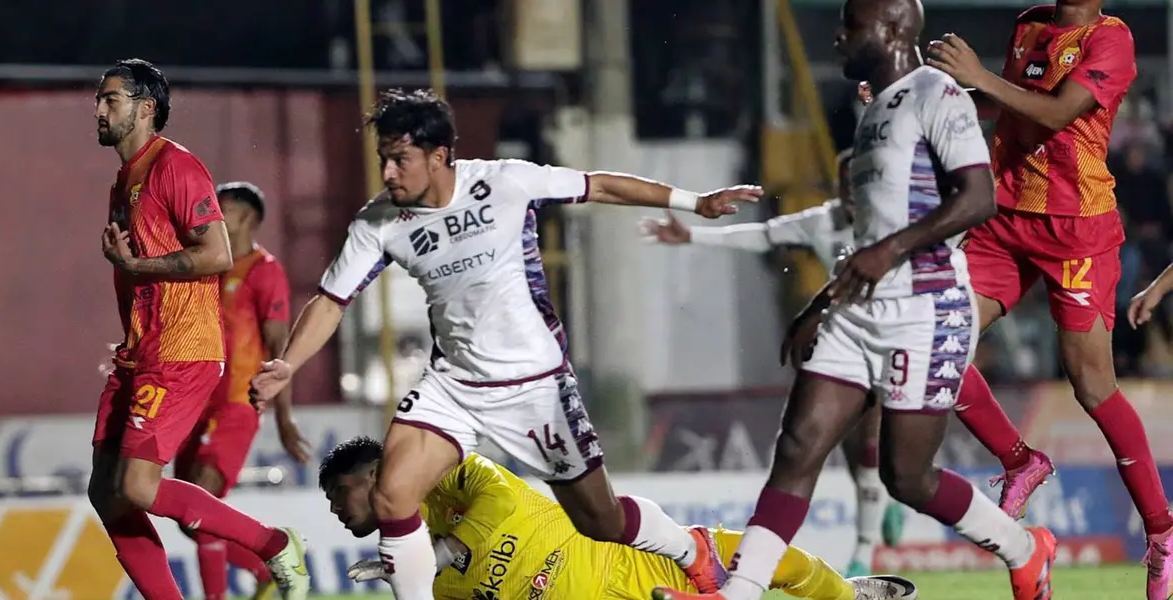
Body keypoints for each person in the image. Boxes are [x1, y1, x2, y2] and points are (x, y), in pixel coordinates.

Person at [249, 88, 764, 600]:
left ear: (438, 156)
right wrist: (289, 364)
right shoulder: (378, 222)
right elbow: (331, 300)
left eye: (399, 159)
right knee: (392, 496)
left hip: (535, 387)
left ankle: (693, 550)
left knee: (601, 521)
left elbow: (600, 185)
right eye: (383, 158)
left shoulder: (505, 182)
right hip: (453, 385)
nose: (387, 172)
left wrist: (694, 202)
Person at [654, 0, 1058, 598]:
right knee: (798, 446)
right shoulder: (873, 110)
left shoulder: (937, 93)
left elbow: (977, 198)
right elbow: (871, 233)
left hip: (925, 310)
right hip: (859, 310)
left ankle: (1025, 549)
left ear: (892, 29)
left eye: (852, 25)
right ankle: (739, 593)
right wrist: (823, 302)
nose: (839, 36)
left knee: (906, 477)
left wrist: (889, 252)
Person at [926, 3, 1173, 597]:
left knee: (1092, 387)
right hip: (1005, 217)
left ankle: (1162, 531)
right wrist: (921, 96)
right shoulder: (1030, 22)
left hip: (1076, 228)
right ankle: (1020, 461)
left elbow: (1060, 112)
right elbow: (1008, 105)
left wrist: (980, 76)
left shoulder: (1110, 39)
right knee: (936, 346)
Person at [89, 59, 309, 600]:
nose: (98, 110)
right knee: (106, 493)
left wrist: (137, 265)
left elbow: (216, 254)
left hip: (181, 349)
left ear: (146, 108)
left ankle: (273, 543)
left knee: (137, 486)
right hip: (140, 352)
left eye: (110, 99)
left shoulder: (176, 166)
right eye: (98, 99)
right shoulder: (124, 180)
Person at [638, 149, 907, 577]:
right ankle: (884, 500)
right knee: (856, 447)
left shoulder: (897, 220)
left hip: (898, 337)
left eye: (859, 181)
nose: (853, 191)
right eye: (846, 182)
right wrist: (692, 237)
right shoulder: (823, 221)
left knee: (875, 440)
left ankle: (865, 549)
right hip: (847, 339)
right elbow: (764, 235)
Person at [321, 436, 920, 600]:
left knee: (771, 560)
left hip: (630, 559)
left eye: (339, 492)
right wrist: (420, 567)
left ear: (374, 475)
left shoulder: (446, 474)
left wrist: (445, 552)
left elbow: (502, 499)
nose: (334, 508)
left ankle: (850, 596)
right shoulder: (410, 566)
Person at [173, 181, 312, 600]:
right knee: (187, 514)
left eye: (224, 207)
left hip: (238, 403)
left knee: (202, 493)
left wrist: (284, 417)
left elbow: (278, 349)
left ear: (248, 217)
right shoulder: (206, 265)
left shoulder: (264, 270)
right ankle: (263, 568)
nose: (213, 213)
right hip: (196, 403)